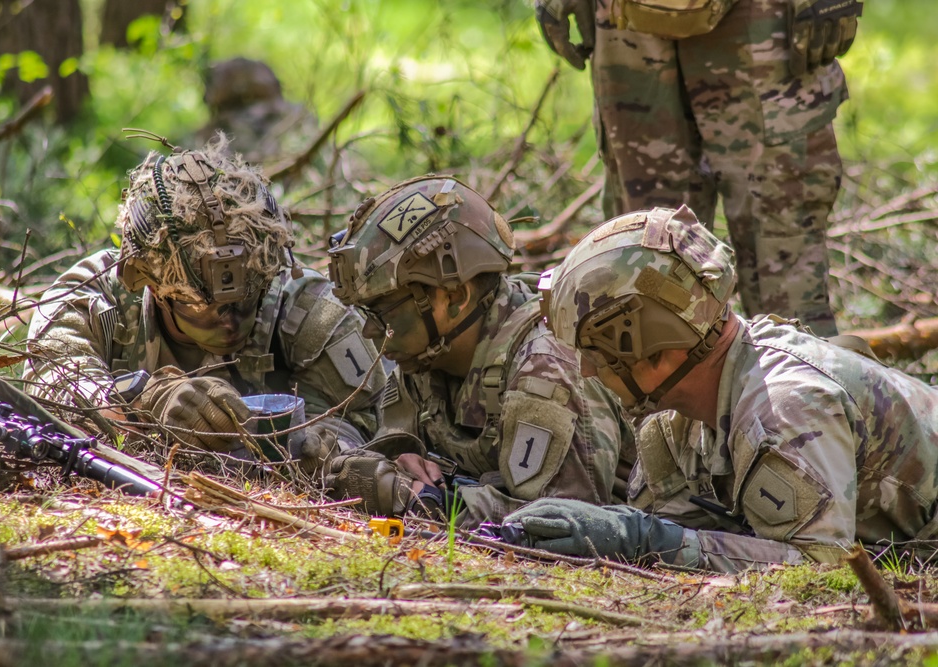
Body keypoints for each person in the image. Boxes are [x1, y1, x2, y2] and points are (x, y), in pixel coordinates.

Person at [505, 206, 938, 572]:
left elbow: (819, 567)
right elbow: (685, 534)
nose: (589, 371)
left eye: (594, 352)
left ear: (641, 341)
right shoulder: (679, 421)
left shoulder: (784, 406)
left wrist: (647, 540)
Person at [24, 135, 386, 462]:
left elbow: (363, 422)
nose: (230, 321)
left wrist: (320, 453)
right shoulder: (93, 297)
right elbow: (52, 388)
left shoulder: (309, 311)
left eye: (249, 299)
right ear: (152, 283)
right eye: (202, 305)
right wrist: (149, 402)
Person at [534, 0, 863, 337]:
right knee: (646, 272)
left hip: (763, 23)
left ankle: (805, 386)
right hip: (628, 25)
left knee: (788, 272)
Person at [323, 175, 635, 527]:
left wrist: (430, 504)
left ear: (455, 296)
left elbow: (565, 525)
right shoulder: (427, 355)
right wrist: (393, 464)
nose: (370, 331)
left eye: (383, 312)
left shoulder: (545, 370)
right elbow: (397, 447)